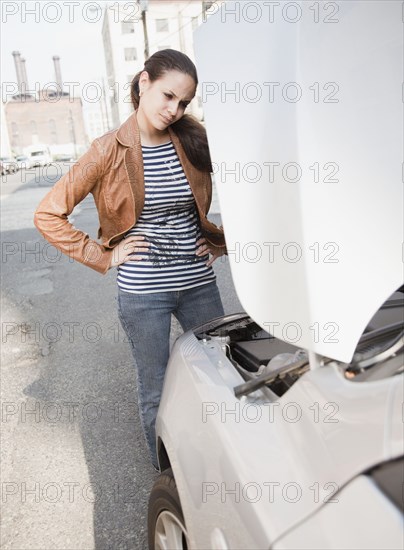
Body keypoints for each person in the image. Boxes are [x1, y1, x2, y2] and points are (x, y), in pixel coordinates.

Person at [34, 49, 227, 469]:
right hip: (143, 294)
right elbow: (48, 213)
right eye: (168, 96)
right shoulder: (107, 151)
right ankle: (169, 480)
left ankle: (217, 465)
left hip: (198, 283)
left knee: (221, 376)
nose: (174, 110)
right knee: (157, 388)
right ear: (144, 84)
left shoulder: (194, 141)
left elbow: (252, 192)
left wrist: (220, 242)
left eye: (184, 102)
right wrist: (103, 253)